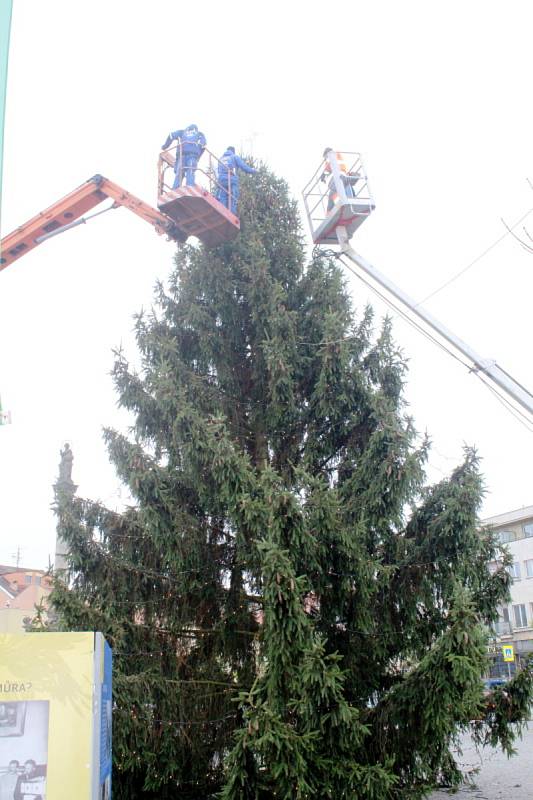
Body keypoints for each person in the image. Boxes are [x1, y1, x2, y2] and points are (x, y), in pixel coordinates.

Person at [161, 123, 206, 189]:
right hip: (192, 155)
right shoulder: (199, 134)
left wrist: (165, 146)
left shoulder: (181, 132)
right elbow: (203, 145)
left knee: (179, 172)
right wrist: (198, 157)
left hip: (181, 155)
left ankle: (175, 189)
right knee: (190, 171)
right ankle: (190, 187)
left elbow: (171, 135)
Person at [215, 147, 257, 215]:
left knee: (223, 196)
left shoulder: (221, 158)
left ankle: (222, 212)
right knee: (233, 196)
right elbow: (243, 166)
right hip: (231, 180)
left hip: (222, 180)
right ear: (233, 151)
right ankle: (231, 214)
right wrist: (253, 170)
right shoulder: (234, 157)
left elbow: (218, 170)